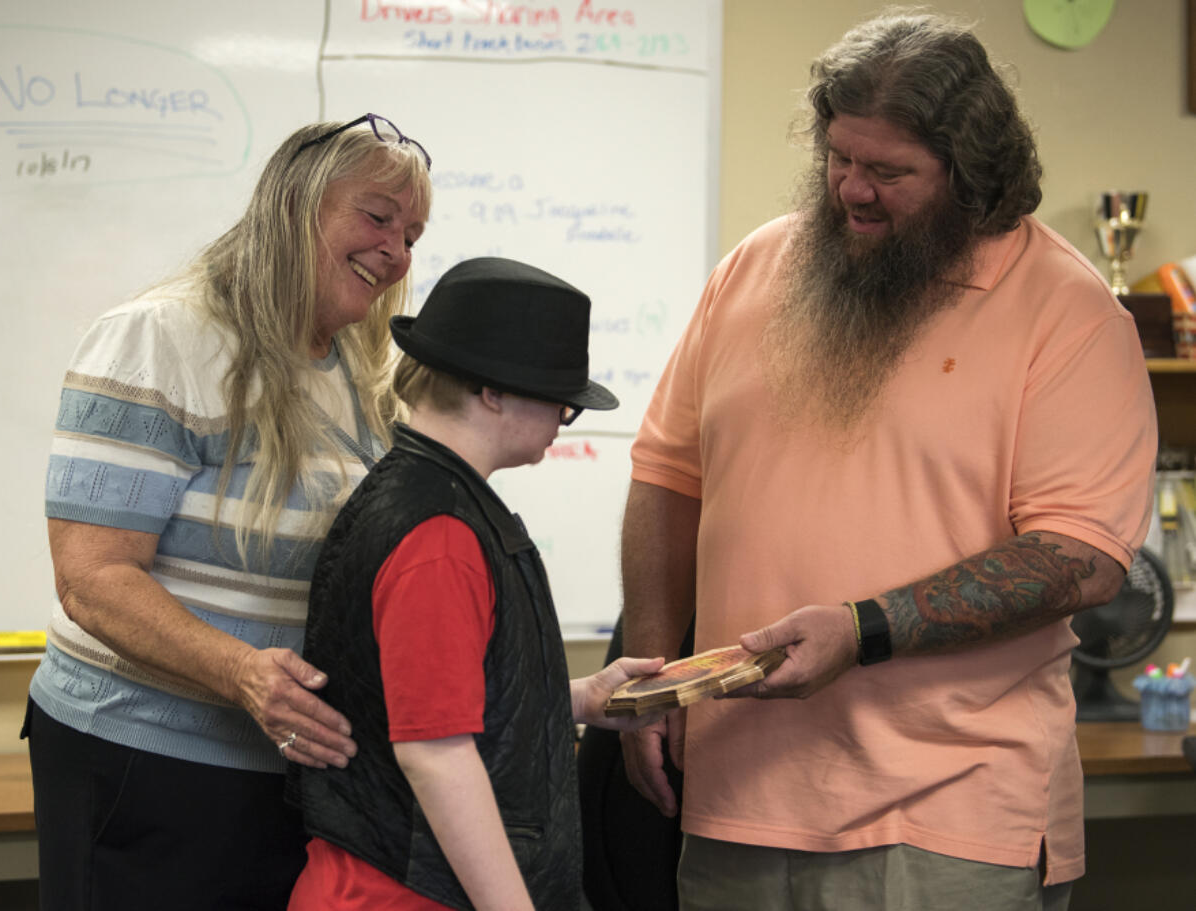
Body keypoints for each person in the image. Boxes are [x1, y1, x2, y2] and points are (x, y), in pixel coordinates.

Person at [619, 11, 1157, 911]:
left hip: (950, 817)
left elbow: (1081, 555)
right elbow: (669, 474)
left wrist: (865, 628)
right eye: (838, 158)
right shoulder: (758, 267)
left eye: (889, 172)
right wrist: (651, 672)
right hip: (736, 797)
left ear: (970, 174)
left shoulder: (1069, 312)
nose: (851, 192)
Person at [27, 113, 432, 910]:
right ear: (295, 206)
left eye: (413, 233)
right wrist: (243, 671)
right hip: (143, 758)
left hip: (288, 766)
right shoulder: (159, 337)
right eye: (377, 216)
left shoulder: (357, 365)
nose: (397, 250)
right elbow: (93, 576)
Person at [287, 256, 667, 911]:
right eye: (562, 401)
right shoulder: (439, 536)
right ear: (493, 391)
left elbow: (443, 698)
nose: (562, 417)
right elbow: (434, 753)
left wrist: (578, 698)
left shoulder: (425, 496)